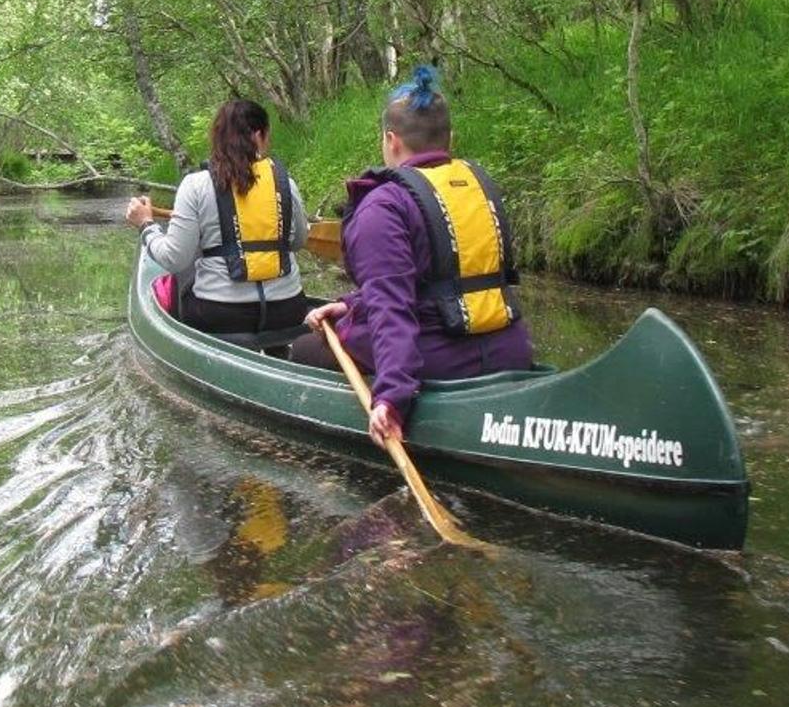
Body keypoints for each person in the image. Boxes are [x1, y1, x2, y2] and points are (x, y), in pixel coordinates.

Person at [290, 66, 535, 447]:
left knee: (304, 350)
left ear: (391, 140)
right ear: (449, 138)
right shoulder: (478, 188)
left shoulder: (384, 206)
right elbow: (446, 281)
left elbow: (392, 308)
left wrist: (391, 399)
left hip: (443, 359)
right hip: (510, 351)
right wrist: (352, 304)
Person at [125, 99, 311, 337]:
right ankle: (276, 347)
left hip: (219, 315)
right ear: (258, 135)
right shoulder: (286, 183)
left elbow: (173, 259)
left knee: (184, 270)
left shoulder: (195, 185)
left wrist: (146, 224)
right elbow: (297, 243)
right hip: (286, 310)